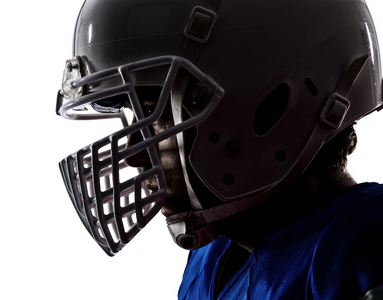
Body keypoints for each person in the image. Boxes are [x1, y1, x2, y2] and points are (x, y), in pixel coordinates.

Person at [56, 0, 383, 298]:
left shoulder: (364, 247)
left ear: (270, 108)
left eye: (158, 112)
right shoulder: (214, 256)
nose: (132, 153)